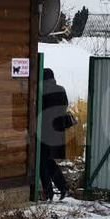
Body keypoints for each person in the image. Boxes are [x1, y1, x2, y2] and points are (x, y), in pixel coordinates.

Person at [39, 68, 74, 201]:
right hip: (58, 132)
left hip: (44, 131)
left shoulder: (42, 91)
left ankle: (49, 192)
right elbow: (65, 105)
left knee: (42, 162)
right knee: (48, 161)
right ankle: (62, 187)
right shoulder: (61, 89)